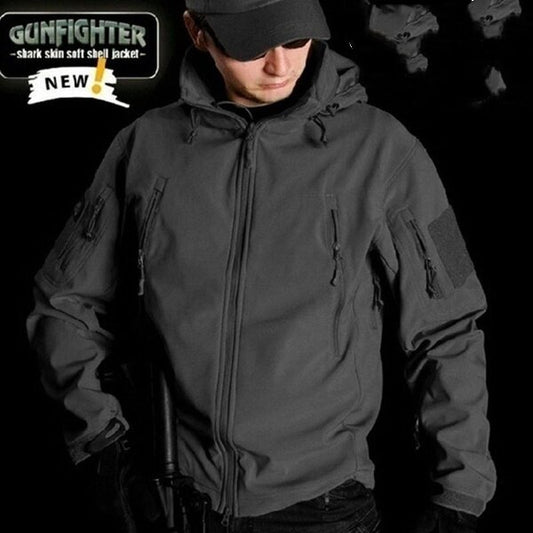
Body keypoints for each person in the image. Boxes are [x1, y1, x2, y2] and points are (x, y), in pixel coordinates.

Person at [26, 1, 497, 532]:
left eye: (295, 40)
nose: (280, 65)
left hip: (324, 507)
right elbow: (63, 302)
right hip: (173, 496)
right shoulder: (144, 147)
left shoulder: (385, 150)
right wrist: (102, 443)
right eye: (251, 46)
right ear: (197, 31)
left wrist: (462, 488)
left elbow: (450, 324)